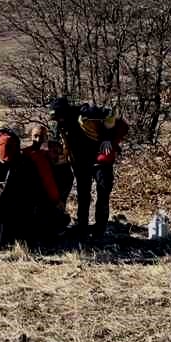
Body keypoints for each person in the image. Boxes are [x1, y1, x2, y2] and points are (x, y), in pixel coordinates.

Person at [49, 98, 130, 241]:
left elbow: (110, 114)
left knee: (103, 192)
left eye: (59, 116)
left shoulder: (86, 113)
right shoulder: (61, 123)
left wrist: (107, 138)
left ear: (65, 112)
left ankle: (100, 229)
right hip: (81, 162)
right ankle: (82, 227)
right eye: (56, 117)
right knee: (83, 194)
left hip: (101, 158)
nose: (59, 120)